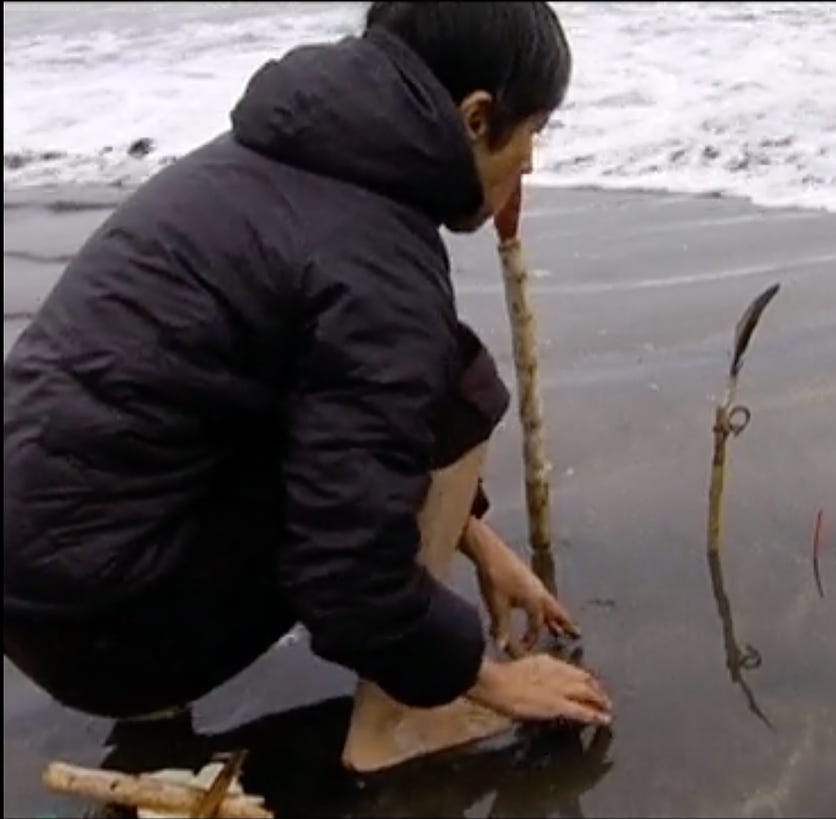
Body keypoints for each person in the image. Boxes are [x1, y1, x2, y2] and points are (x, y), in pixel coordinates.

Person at [2, 1, 611, 773]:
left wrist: (480, 541)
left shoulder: (268, 159)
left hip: (42, 590)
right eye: (533, 131)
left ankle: (157, 695)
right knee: (459, 389)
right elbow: (346, 572)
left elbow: (317, 408)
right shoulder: (376, 264)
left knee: (357, 388)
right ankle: (393, 724)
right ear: (476, 117)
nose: (529, 162)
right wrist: (483, 676)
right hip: (111, 630)